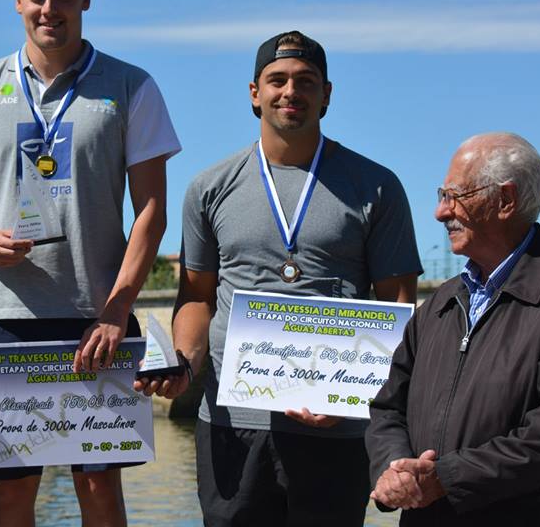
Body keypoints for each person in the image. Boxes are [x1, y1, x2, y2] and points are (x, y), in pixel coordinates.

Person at [0, 0, 180, 526]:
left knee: (99, 493)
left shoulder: (131, 87)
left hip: (99, 318)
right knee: (13, 492)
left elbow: (152, 211)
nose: (50, 9)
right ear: (17, 0)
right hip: (7, 317)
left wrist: (118, 307)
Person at [136, 31, 421, 526]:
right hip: (231, 424)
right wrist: (183, 362)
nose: (291, 91)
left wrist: (352, 396)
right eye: (278, 80)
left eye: (306, 81)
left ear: (327, 95)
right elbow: (198, 297)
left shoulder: (377, 185)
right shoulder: (209, 187)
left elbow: (397, 307)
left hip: (335, 430)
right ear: (254, 93)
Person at [365, 133, 540, 526]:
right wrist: (395, 471)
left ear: (506, 201)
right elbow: (387, 406)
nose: (440, 212)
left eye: (453, 195)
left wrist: (446, 479)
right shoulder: (441, 305)